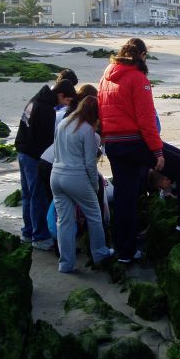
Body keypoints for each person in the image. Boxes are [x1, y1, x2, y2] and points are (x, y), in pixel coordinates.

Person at [98, 38, 164, 263]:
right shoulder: (138, 78)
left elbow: (100, 109)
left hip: (113, 143)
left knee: (125, 195)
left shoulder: (107, 75)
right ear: (142, 55)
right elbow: (147, 121)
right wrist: (157, 151)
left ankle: (123, 250)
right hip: (133, 142)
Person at [51, 95, 114, 273]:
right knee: (94, 215)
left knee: (64, 221)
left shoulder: (64, 123)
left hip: (56, 175)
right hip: (76, 177)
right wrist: (94, 185)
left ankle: (65, 264)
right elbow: (89, 163)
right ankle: (100, 252)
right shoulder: (86, 130)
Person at [15, 79, 76, 250]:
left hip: (22, 151)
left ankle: (28, 232)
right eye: (67, 100)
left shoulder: (35, 100)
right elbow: (45, 139)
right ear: (61, 95)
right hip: (34, 156)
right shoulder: (47, 110)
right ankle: (40, 237)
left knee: (27, 194)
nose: (66, 104)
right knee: (38, 196)